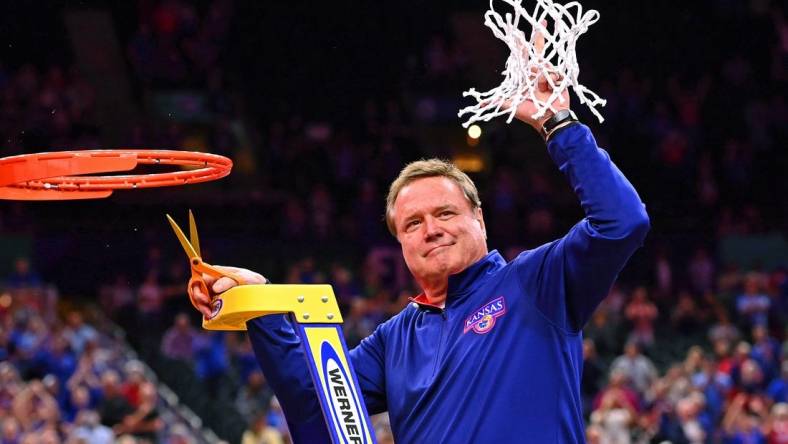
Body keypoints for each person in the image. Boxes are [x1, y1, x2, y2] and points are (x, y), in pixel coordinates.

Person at [188, 29, 650, 443]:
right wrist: (262, 303)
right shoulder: (395, 339)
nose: (431, 229)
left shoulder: (536, 283)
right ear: (401, 243)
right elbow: (316, 403)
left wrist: (559, 126)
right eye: (413, 223)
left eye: (445, 212)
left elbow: (621, 222)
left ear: (480, 219)